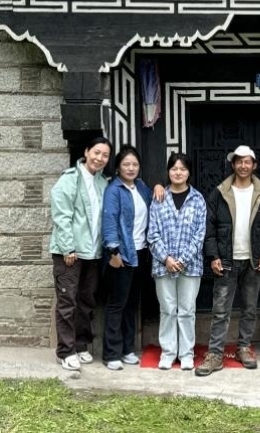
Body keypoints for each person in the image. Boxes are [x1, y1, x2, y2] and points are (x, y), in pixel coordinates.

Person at [195, 144, 260, 377]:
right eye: (239, 161)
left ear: (254, 165)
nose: (243, 165)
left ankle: (244, 347)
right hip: (226, 260)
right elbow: (209, 226)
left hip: (253, 261)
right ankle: (215, 354)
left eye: (247, 161)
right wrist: (213, 256)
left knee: (250, 309)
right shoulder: (220, 191)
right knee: (220, 310)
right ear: (233, 164)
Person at [49, 136, 112, 371]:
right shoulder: (70, 179)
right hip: (70, 253)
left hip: (93, 253)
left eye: (105, 155)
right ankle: (65, 352)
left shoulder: (102, 182)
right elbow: (61, 216)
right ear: (86, 152)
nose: (100, 158)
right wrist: (68, 248)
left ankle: (80, 344)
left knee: (86, 301)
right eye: (96, 152)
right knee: (68, 302)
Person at [147, 152, 207, 371]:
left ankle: (187, 353)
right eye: (174, 169)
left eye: (183, 169)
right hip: (163, 264)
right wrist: (166, 258)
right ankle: (168, 352)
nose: (178, 172)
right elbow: (152, 233)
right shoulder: (159, 197)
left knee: (187, 310)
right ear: (168, 171)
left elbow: (200, 234)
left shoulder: (198, 199)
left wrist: (182, 260)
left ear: (189, 172)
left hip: (190, 265)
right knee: (168, 310)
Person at [101, 145, 152, 371]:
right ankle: (111, 353)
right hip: (121, 253)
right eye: (126, 164)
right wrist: (113, 252)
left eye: (135, 164)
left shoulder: (141, 187)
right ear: (118, 168)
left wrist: (158, 186)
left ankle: (127, 349)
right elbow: (109, 220)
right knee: (116, 304)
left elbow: (155, 203)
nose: (131, 168)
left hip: (140, 252)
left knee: (132, 303)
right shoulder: (114, 190)